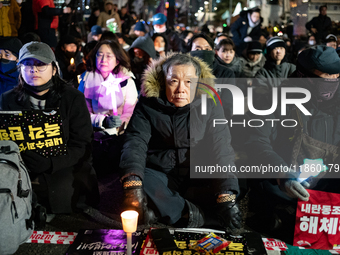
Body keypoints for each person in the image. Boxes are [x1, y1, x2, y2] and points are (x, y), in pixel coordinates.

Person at [119, 53, 241, 229]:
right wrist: (133, 183)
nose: (181, 89)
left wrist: (226, 196)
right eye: (173, 81)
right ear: (163, 81)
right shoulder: (147, 104)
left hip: (199, 174)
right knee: (138, 183)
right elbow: (135, 142)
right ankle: (200, 216)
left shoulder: (211, 103)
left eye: (189, 82)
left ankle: (168, 211)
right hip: (162, 173)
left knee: (237, 179)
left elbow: (220, 146)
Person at [245, 45, 340, 241]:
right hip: (283, 184)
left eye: (335, 79)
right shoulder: (275, 100)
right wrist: (282, 174)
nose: (331, 84)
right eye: (324, 80)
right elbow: (256, 141)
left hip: (326, 188)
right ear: (304, 76)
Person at [0, 41, 100, 213]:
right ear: (20, 69)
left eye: (41, 64)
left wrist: (51, 163)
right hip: (20, 165)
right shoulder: (7, 99)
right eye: (27, 65)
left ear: (54, 69)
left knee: (63, 191)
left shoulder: (72, 98)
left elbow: (83, 145)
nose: (34, 70)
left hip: (63, 165)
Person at [188, 33, 235, 119]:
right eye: (198, 49)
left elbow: (227, 106)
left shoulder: (226, 74)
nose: (203, 52)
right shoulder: (183, 73)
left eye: (207, 49)